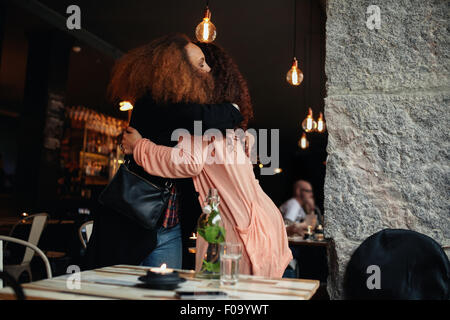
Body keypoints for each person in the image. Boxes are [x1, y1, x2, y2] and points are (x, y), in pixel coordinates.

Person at [122, 43, 292, 278]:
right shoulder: (229, 130)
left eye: (206, 64)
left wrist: (139, 146)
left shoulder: (205, 124)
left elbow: (187, 162)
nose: (207, 70)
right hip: (263, 221)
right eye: (200, 65)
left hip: (235, 228)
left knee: (225, 295)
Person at [85, 33, 243, 270]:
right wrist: (233, 108)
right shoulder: (157, 100)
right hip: (132, 219)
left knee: (164, 293)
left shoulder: (178, 103)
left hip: (169, 223)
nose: (208, 69)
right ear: (178, 69)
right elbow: (207, 118)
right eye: (200, 64)